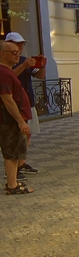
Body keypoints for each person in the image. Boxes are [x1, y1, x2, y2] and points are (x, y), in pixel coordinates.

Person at [6, 32, 45, 176]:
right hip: (16, 103)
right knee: (16, 136)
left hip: (28, 101)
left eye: (21, 44)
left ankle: (21, 164)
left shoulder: (24, 60)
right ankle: (12, 170)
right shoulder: (6, 62)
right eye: (17, 43)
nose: (20, 47)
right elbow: (8, 77)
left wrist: (42, 65)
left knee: (27, 135)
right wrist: (23, 65)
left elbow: (40, 76)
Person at [0, 39, 34, 194]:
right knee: (12, 152)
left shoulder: (6, 72)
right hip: (9, 121)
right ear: (2, 54)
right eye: (13, 52)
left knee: (14, 152)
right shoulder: (3, 72)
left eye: (18, 52)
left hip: (10, 120)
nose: (17, 55)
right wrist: (20, 121)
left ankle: (12, 183)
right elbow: (7, 99)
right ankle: (12, 185)